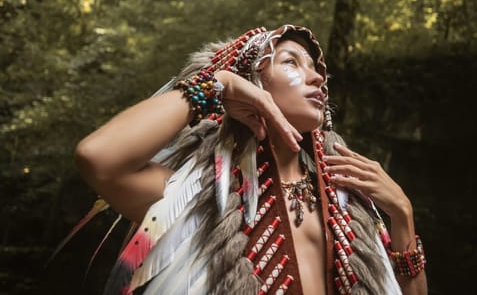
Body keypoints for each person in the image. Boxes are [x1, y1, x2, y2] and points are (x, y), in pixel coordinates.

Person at [75, 24, 427, 295]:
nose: (318, 76)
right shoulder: (200, 199)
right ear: (253, 81)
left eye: (318, 69)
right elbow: (98, 157)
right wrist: (220, 84)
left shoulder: (349, 197)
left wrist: (402, 214)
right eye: (291, 62)